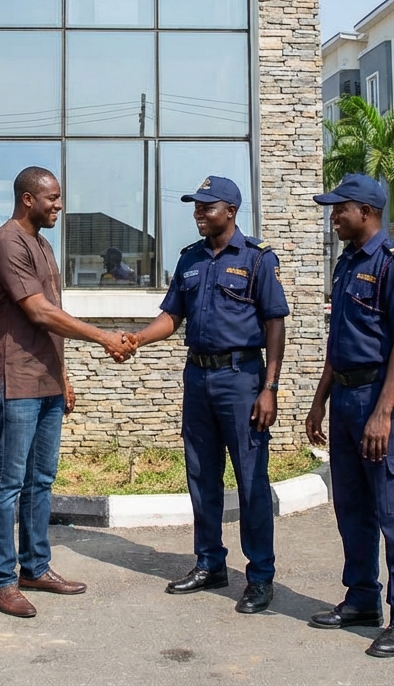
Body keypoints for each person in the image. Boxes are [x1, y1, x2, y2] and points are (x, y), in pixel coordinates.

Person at [124, 176, 288, 614]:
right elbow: (170, 316)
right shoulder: (190, 260)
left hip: (242, 379)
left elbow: (275, 324)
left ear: (230, 211)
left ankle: (259, 576)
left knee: (251, 480)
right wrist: (138, 339)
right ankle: (210, 562)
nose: (198, 213)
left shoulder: (256, 260)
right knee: (201, 475)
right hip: (197, 377)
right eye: (195, 207)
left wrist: (268, 387)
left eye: (206, 207)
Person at [0, 165, 134, 618]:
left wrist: (63, 375)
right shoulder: (7, 242)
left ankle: (34, 567)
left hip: (46, 382)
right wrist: (105, 337)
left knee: (41, 480)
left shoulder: (43, 245)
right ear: (28, 198)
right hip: (16, 382)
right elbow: (41, 313)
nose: (60, 205)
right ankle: (3, 580)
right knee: (9, 482)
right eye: (52, 198)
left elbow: (53, 320)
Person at [306, 173, 394, 658]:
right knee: (351, 508)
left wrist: (383, 413)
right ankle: (360, 600)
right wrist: (320, 401)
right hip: (347, 399)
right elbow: (340, 343)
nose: (333, 216)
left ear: (367, 212)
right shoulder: (346, 264)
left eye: (340, 208)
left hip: (382, 399)